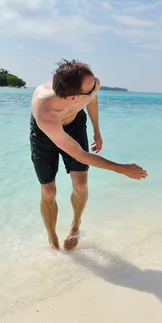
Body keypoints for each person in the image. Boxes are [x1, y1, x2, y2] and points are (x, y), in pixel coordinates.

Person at [30, 59, 148, 251]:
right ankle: (53, 240)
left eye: (94, 85)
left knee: (81, 185)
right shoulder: (45, 110)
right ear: (72, 98)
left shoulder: (90, 85)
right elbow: (80, 155)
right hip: (45, 134)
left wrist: (97, 130)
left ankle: (75, 225)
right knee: (49, 192)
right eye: (90, 89)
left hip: (75, 124)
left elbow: (91, 99)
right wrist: (122, 169)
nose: (95, 88)